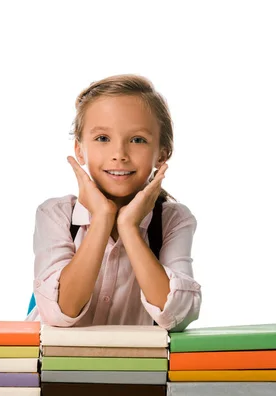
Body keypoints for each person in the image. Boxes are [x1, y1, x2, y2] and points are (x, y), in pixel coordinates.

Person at [25, 74, 201, 331]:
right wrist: (102, 219)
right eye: (102, 139)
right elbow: (59, 311)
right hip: (56, 365)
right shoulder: (56, 214)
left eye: (138, 140)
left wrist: (129, 227)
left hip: (135, 369)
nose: (119, 155)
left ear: (162, 153)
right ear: (79, 149)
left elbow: (176, 315)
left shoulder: (173, 220)